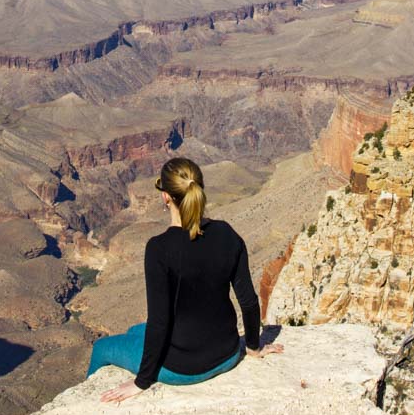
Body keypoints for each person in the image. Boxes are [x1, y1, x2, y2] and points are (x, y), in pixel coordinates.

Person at [87, 157, 284, 402]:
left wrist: (141, 382)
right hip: (228, 353)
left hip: (181, 369)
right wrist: (253, 347)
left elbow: (160, 322)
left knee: (102, 348)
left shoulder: (159, 249)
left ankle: (82, 403)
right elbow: (249, 301)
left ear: (165, 197)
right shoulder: (227, 233)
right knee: (136, 330)